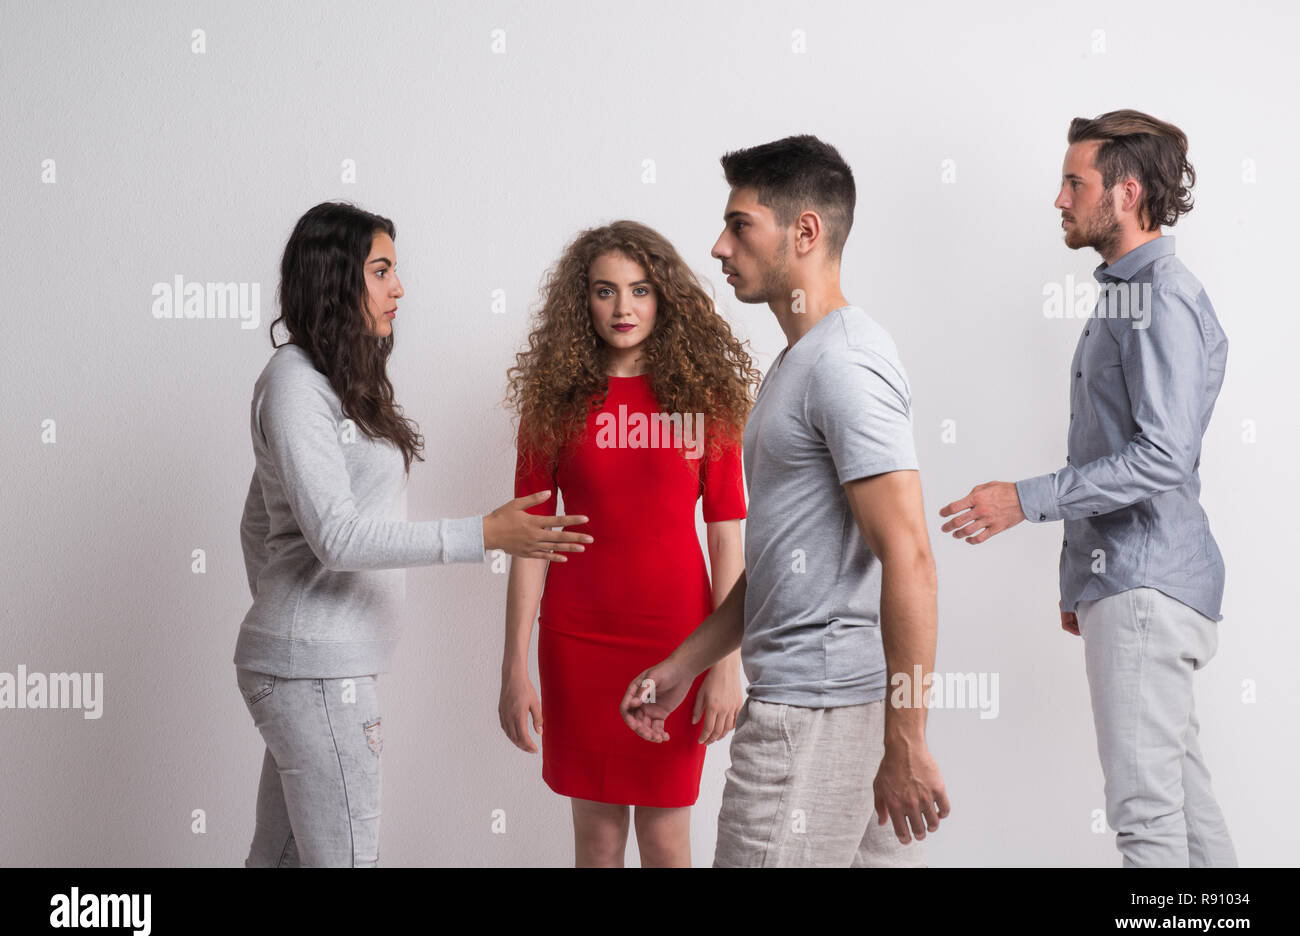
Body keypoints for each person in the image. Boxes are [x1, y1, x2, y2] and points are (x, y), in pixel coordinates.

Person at [621, 135, 950, 867]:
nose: (718, 246)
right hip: (831, 709)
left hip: (816, 714)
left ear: (805, 232)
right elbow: (783, 564)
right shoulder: (800, 364)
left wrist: (907, 738)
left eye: (740, 226)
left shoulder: (844, 364)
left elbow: (911, 555)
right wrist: (686, 663)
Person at [235, 201, 592, 867]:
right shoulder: (292, 385)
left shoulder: (333, 384)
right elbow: (335, 536)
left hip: (312, 664)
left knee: (277, 860)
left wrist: (292, 617)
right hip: (315, 670)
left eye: (394, 270)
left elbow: (257, 519)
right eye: (381, 270)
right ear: (333, 279)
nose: (399, 287)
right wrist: (484, 533)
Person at [937, 110, 1237, 868]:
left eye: (1076, 183)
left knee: (1145, 820)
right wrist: (1081, 580)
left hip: (1146, 584)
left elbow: (1163, 454)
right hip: (1134, 582)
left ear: (1127, 193)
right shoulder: (1130, 295)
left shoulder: (1160, 295)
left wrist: (1023, 499)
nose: (1061, 200)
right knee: (1188, 817)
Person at [501, 220, 758, 867]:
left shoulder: (705, 400)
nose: (623, 308)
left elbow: (728, 536)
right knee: (596, 840)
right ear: (581, 300)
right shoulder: (554, 404)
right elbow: (530, 544)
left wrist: (723, 664)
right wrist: (514, 666)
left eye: (640, 290)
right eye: (605, 291)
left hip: (677, 642)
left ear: (664, 298)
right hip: (576, 640)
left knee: (668, 840)